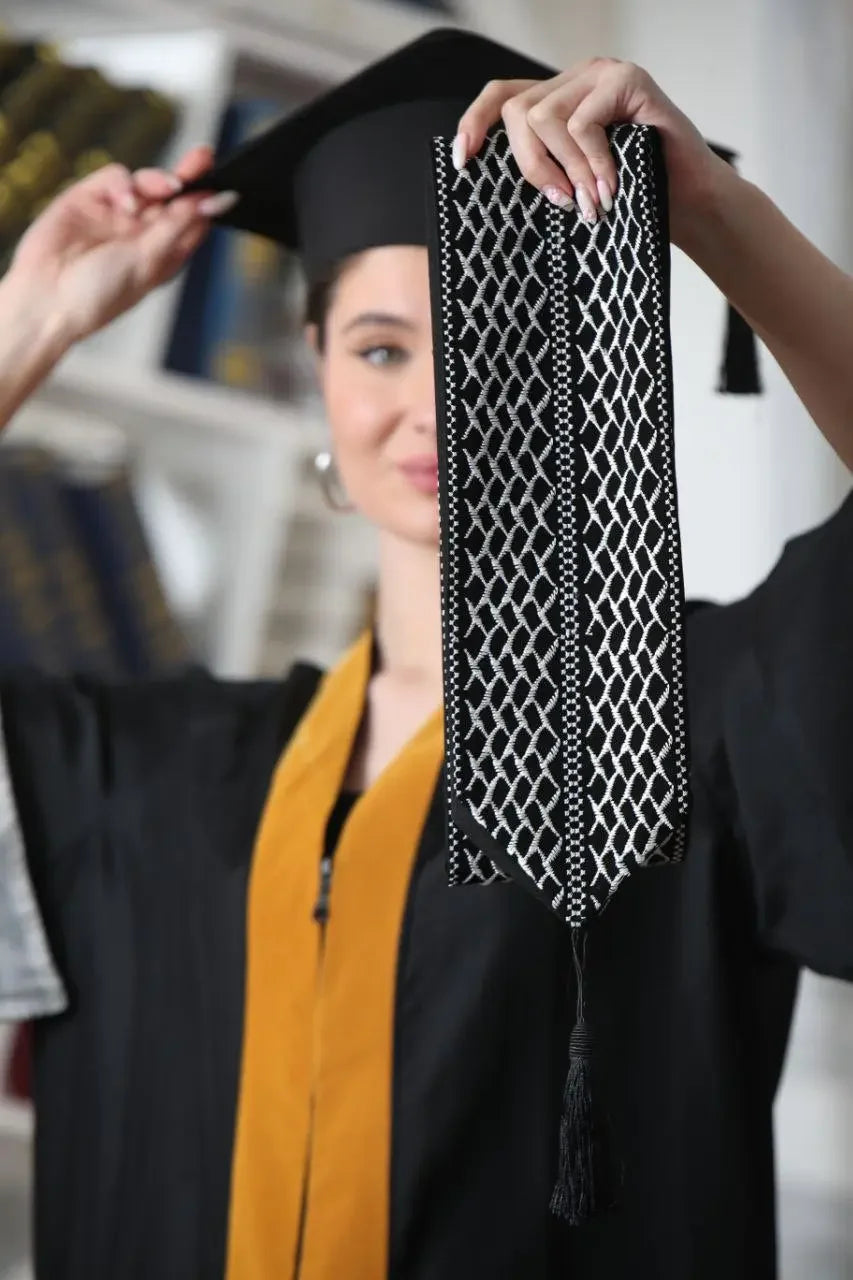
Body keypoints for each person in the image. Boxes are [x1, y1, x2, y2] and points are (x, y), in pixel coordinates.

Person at [0, 26, 851, 1280]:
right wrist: (26, 323)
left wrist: (719, 220)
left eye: (491, 338)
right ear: (320, 377)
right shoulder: (135, 765)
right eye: (383, 347)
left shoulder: (694, 718)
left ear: (568, 369)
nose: (434, 403)